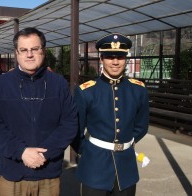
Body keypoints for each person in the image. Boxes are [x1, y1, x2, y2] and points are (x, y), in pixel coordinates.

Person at [0, 27, 78, 195]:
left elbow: (69, 124)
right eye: (24, 50)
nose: (29, 54)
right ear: (16, 53)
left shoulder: (59, 84)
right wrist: (21, 152)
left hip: (48, 173)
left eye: (35, 49)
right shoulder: (1, 84)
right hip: (12, 173)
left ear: (43, 50)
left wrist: (45, 153)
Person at [71, 33, 149, 196]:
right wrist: (88, 151)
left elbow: (141, 126)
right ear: (101, 59)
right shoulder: (86, 91)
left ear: (126, 58)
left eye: (120, 57)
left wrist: (127, 143)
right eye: (109, 56)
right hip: (94, 167)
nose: (115, 62)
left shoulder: (138, 89)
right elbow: (75, 131)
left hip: (126, 168)